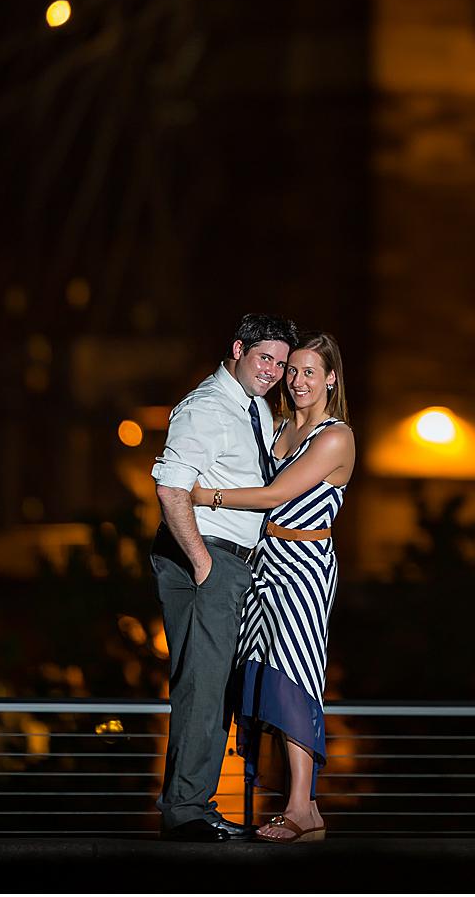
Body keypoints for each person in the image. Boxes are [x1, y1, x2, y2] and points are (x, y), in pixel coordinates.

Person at [190, 331, 354, 843]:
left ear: (330, 377)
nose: (298, 380)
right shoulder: (279, 425)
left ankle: (304, 809)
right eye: (293, 370)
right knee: (260, 682)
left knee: (295, 681)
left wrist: (202, 494)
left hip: (304, 565)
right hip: (264, 561)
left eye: (311, 372)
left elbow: (275, 493)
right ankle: (276, 805)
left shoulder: (335, 436)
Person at [149, 312, 299, 841]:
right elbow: (171, 488)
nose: (274, 371)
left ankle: (196, 803)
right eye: (266, 358)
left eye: (282, 363)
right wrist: (205, 565)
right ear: (238, 349)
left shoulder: (251, 405)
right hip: (206, 556)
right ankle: (186, 810)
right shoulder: (208, 408)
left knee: (216, 689)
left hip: (229, 559)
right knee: (203, 686)